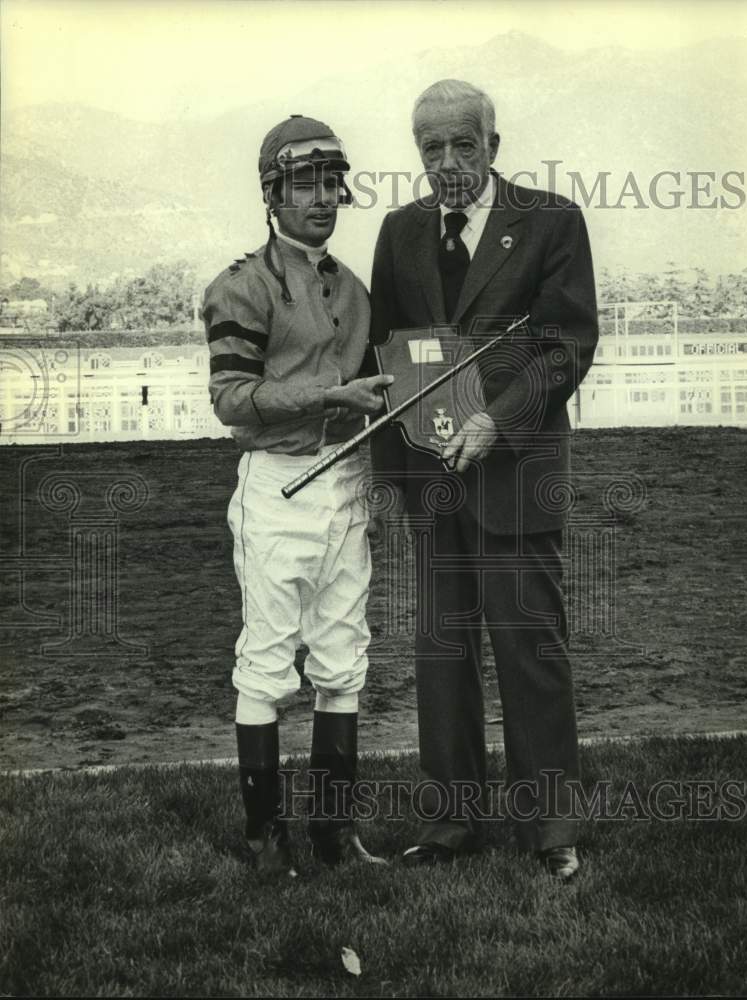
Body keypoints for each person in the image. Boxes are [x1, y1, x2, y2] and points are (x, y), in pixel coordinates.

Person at [369, 80, 599, 878]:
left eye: (463, 144)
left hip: (516, 474)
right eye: (430, 147)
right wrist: (393, 482)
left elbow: (567, 346)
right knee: (442, 650)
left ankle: (551, 832)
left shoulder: (551, 223)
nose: (448, 162)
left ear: (494, 147)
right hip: (432, 485)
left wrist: (496, 421)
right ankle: (450, 824)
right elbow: (387, 354)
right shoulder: (399, 233)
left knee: (530, 646)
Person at [202, 115, 393, 877]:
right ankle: (264, 840)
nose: (322, 198)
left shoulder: (353, 287)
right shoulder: (242, 287)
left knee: (344, 659)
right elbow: (231, 399)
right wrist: (331, 393)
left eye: (330, 182)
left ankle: (332, 836)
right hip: (278, 489)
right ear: (272, 193)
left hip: (345, 483)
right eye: (303, 184)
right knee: (269, 661)